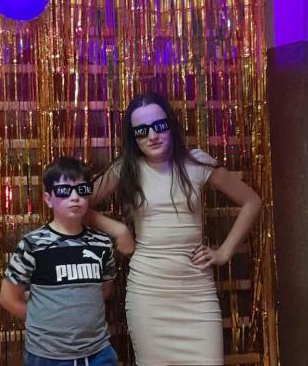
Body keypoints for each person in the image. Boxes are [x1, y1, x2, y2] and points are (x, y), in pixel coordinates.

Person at [89, 93, 262, 365]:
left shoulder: (197, 162)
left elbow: (252, 201)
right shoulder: (126, 168)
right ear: (133, 137)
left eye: (159, 126)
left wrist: (224, 252)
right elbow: (77, 204)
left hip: (197, 294)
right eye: (141, 131)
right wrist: (119, 230)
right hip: (148, 294)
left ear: (170, 124)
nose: (152, 136)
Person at [0, 156, 129, 366]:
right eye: (64, 191)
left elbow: (103, 291)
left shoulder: (102, 243)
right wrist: (45, 324)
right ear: (48, 199)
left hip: (98, 352)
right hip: (46, 356)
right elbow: (8, 298)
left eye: (82, 190)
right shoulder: (33, 244)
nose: (75, 197)